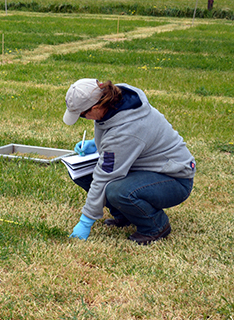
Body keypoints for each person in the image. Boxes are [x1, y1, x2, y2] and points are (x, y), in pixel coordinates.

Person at [63, 78, 195, 245]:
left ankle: (156, 226)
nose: (84, 118)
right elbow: (119, 142)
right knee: (82, 172)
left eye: (83, 115)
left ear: (95, 107)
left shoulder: (126, 130)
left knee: (117, 190)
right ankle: (125, 215)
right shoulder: (113, 101)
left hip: (174, 178)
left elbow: (106, 174)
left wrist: (86, 221)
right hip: (143, 168)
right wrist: (97, 146)